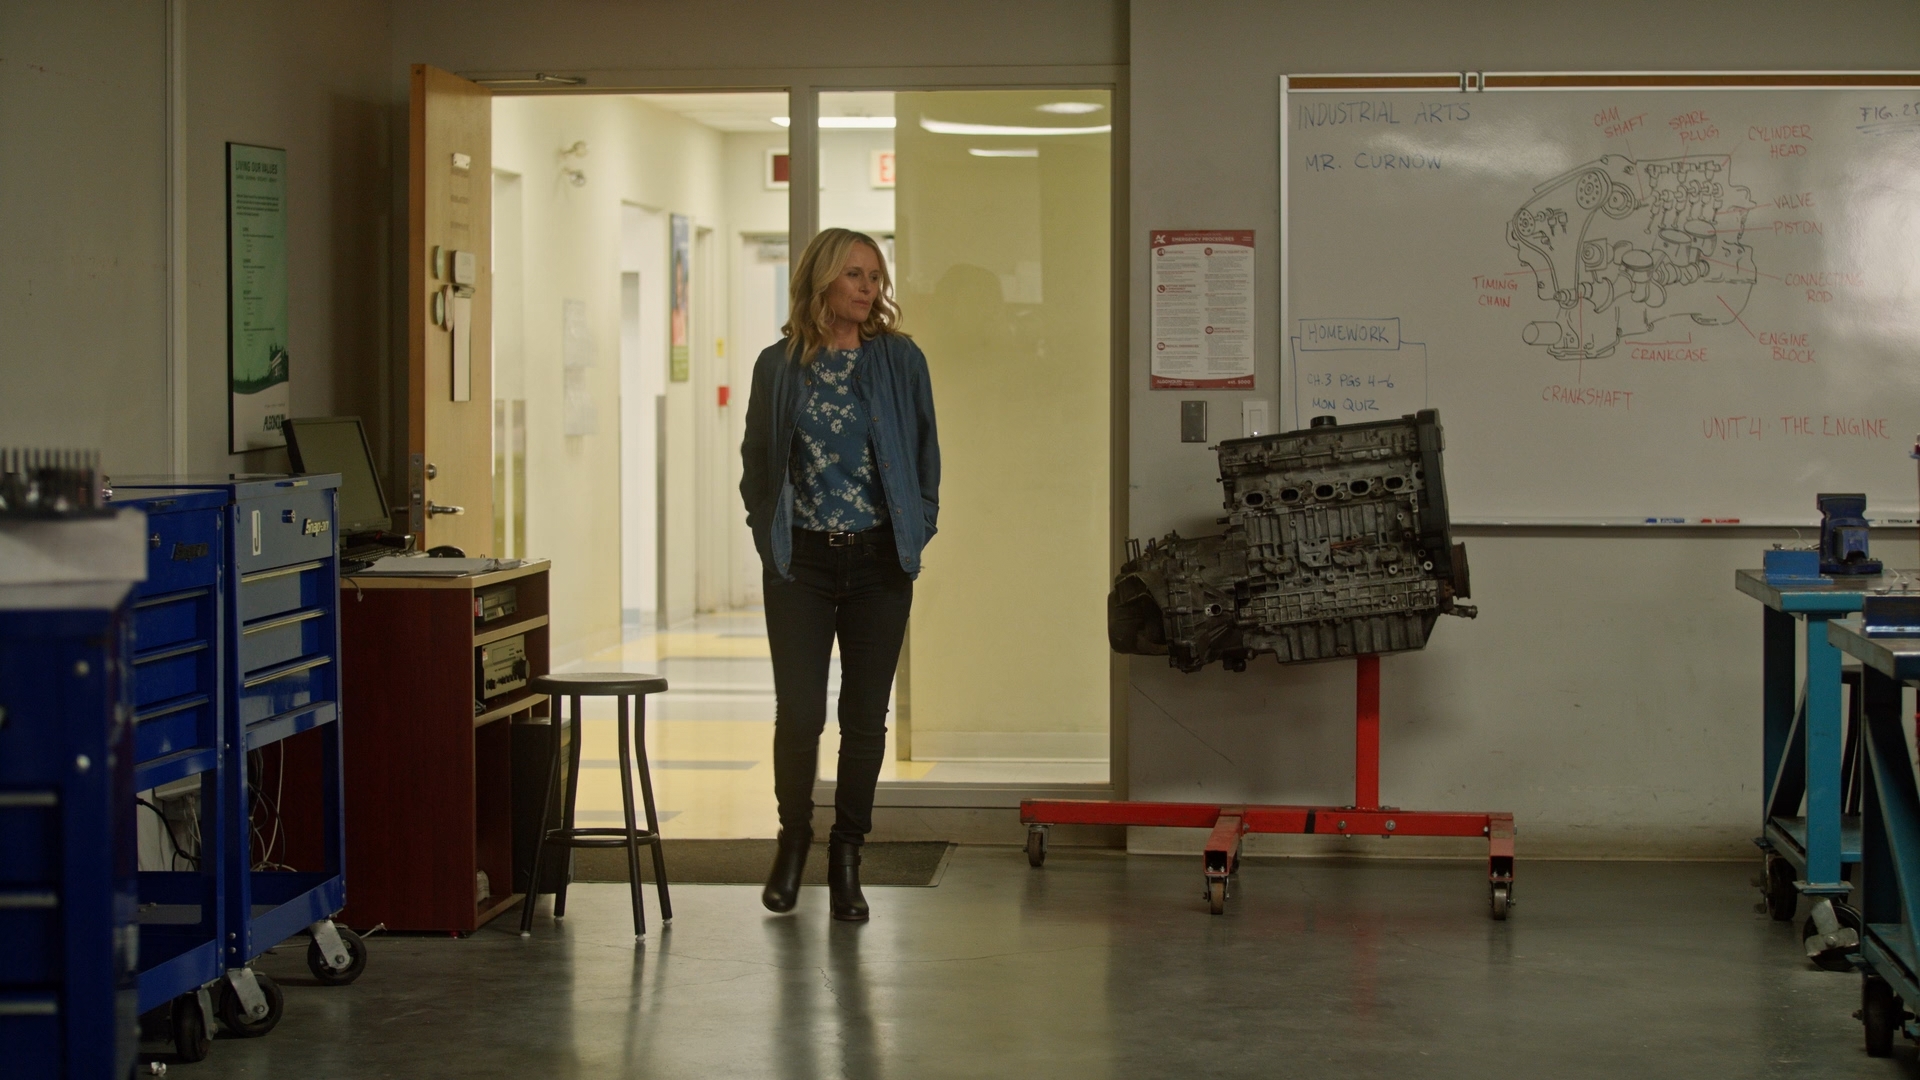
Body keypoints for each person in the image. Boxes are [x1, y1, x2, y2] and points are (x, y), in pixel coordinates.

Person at [739, 228, 940, 921]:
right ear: (822, 279)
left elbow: (925, 453)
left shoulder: (900, 360)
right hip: (801, 561)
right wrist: (766, 535)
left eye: (875, 276)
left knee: (864, 719)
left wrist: (919, 525)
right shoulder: (777, 366)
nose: (868, 288)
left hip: (880, 561)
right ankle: (793, 839)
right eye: (855, 274)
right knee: (799, 713)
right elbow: (757, 463)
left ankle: (847, 854)